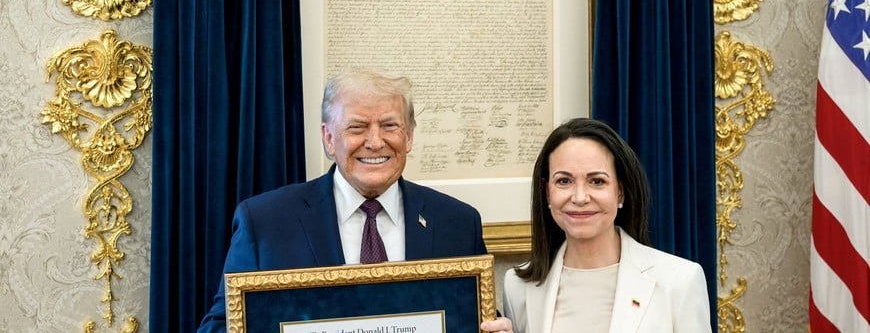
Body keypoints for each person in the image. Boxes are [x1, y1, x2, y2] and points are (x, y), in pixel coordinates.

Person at [198, 68, 513, 332]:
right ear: (329, 138)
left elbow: (473, 318)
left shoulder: (457, 223)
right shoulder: (265, 223)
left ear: (410, 136)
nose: (375, 142)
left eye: (390, 125)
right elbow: (221, 324)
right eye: (357, 127)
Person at [503, 117, 712, 333]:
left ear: (620, 191)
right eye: (564, 181)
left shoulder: (680, 281)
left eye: (597, 181)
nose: (580, 197)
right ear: (547, 192)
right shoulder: (517, 286)